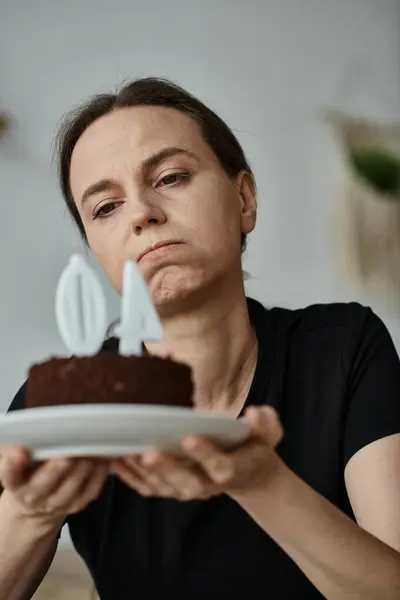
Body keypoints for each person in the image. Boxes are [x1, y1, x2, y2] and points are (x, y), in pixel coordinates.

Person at [0, 77, 399, 600]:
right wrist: (31, 512)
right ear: (95, 251)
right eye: (105, 208)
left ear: (244, 199)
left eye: (170, 176)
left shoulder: (344, 348)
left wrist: (263, 484)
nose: (142, 213)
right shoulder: (63, 409)